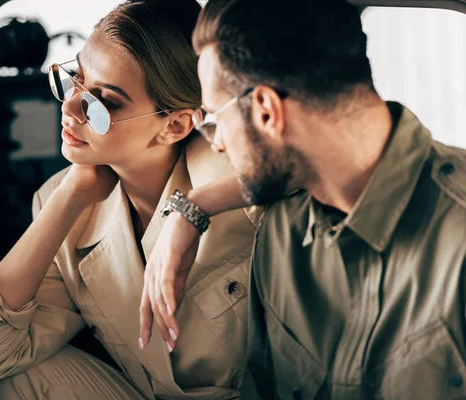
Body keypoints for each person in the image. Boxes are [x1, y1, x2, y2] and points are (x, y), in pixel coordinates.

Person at [140, 0, 466, 399]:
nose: (218, 143)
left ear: (266, 110)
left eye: (214, 120)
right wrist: (191, 209)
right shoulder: (279, 236)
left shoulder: (458, 238)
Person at [0, 0, 261, 399]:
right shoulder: (64, 203)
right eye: (75, 78)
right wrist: (72, 192)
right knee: (16, 373)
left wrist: (192, 211)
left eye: (105, 103)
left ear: (176, 125)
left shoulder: (240, 172)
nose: (69, 108)